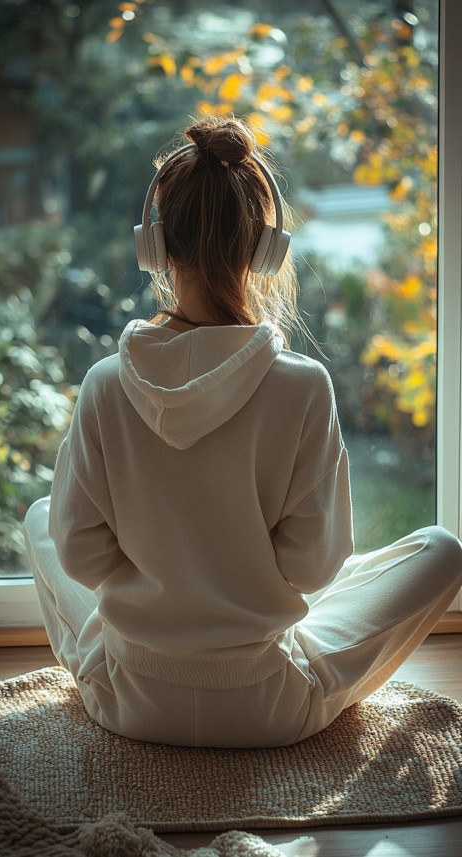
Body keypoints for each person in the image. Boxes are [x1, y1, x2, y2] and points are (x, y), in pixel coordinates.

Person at [24, 116, 462, 748]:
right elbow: (314, 567)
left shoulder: (103, 384)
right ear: (266, 250)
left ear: (155, 247)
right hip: (269, 706)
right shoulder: (304, 386)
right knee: (442, 549)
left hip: (126, 698)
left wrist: (168, 559)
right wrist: (235, 563)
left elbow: (82, 556)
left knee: (44, 515)